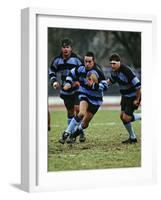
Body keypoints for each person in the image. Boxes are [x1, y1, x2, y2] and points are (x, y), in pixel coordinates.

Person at [59, 51, 108, 144]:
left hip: (96, 100)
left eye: (89, 62)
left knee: (85, 124)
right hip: (84, 95)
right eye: (86, 61)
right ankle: (66, 133)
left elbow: (105, 87)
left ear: (93, 61)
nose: (87, 64)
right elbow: (70, 74)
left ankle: (76, 133)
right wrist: (68, 83)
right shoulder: (80, 69)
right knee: (81, 113)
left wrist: (93, 85)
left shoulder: (98, 72)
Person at [48, 38, 85, 142]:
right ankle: (75, 133)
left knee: (78, 110)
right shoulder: (57, 60)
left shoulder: (77, 59)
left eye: (67, 47)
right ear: (61, 48)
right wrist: (54, 81)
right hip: (65, 90)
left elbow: (84, 71)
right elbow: (51, 71)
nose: (65, 49)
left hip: (77, 88)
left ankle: (78, 133)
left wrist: (79, 81)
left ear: (71, 48)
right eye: (64, 47)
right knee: (70, 112)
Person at [107, 53, 141, 144]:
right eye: (111, 63)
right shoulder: (114, 71)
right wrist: (102, 84)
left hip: (133, 96)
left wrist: (137, 100)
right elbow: (111, 81)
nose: (112, 65)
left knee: (126, 118)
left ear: (119, 63)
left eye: (114, 63)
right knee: (122, 117)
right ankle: (132, 138)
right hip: (125, 96)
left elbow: (138, 86)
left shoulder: (126, 71)